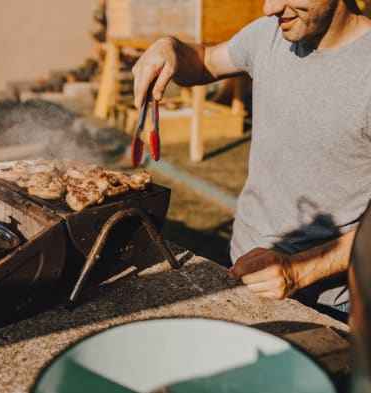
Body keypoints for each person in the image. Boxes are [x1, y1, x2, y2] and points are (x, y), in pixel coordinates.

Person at [132, 0, 371, 314]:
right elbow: (204, 60)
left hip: (331, 303)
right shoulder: (269, 34)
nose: (269, 8)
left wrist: (297, 270)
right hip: (241, 270)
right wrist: (169, 48)